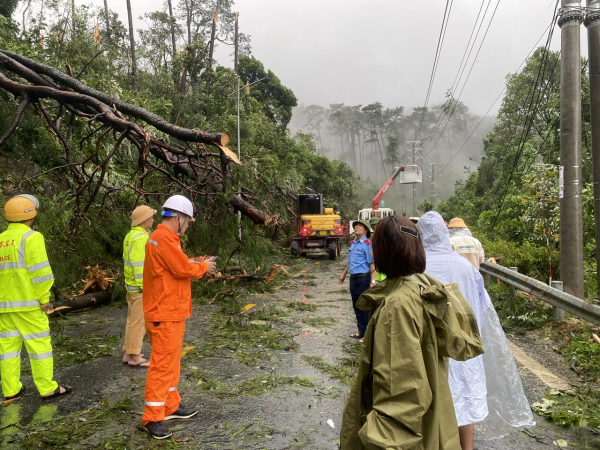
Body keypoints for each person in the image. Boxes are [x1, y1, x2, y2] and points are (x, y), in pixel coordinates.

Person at [340, 216, 484, 450]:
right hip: (432, 427)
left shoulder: (398, 306)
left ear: (383, 252)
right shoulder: (424, 287)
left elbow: (399, 398)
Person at [418, 212, 535, 449]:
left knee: (430, 398)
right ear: (444, 233)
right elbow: (481, 307)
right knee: (465, 397)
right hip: (464, 343)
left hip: (428, 346)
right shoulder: (465, 267)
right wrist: (473, 333)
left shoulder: (417, 267)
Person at [141, 195, 217, 439]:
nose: (187, 226)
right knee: (162, 366)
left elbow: (177, 264)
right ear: (179, 217)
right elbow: (183, 269)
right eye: (188, 220)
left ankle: (170, 405)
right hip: (164, 313)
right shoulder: (164, 238)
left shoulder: (163, 238)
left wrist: (197, 262)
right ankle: (152, 417)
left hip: (170, 312)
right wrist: (204, 267)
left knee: (172, 363)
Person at [0, 194, 70, 400]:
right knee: (39, 346)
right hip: (30, 305)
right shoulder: (32, 237)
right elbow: (40, 272)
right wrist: (44, 298)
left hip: (4, 306)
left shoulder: (1, 239)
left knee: (7, 350)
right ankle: (47, 387)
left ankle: (11, 389)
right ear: (31, 214)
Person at [122, 205, 156, 368]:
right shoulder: (141, 238)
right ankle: (135, 356)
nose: (153, 219)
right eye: (150, 216)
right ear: (144, 220)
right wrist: (146, 287)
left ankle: (129, 352)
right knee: (139, 323)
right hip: (139, 288)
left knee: (131, 321)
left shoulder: (131, 235)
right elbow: (140, 266)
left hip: (131, 287)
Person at [338, 220, 374, 342]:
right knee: (356, 306)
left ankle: (368, 335)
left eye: (360, 226)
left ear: (366, 230)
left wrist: (372, 281)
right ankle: (361, 331)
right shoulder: (353, 243)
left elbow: (372, 263)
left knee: (364, 306)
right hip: (353, 279)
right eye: (356, 226)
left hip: (364, 278)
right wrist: (343, 274)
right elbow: (350, 262)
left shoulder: (368, 244)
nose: (357, 227)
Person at [368, 217, 386, 283]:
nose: (373, 227)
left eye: (374, 225)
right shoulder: (373, 236)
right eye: (372, 225)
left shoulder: (382, 235)